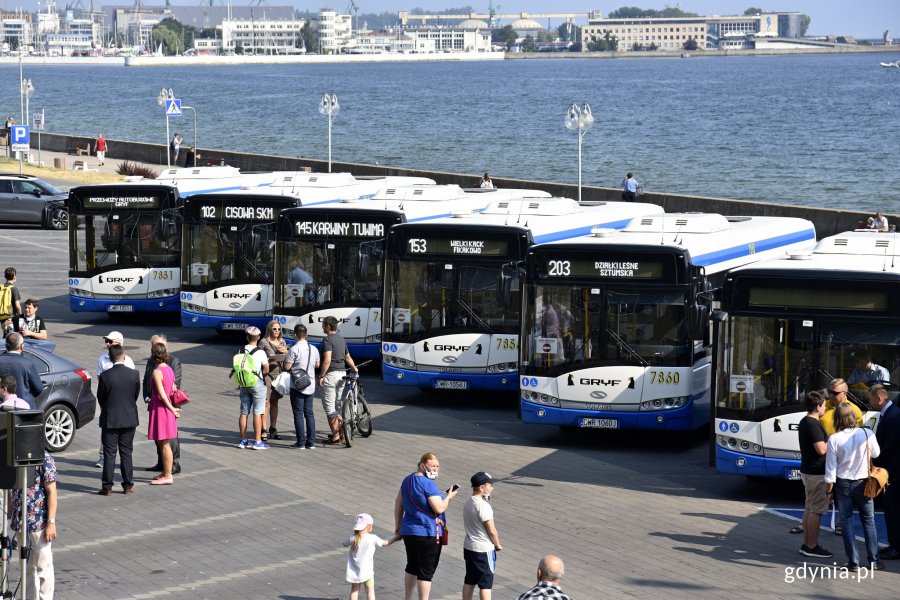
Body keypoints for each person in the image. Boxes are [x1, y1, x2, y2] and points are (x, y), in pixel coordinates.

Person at [824, 402, 883, 572]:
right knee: (869, 521)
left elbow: (830, 471)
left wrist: (828, 491)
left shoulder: (834, 439)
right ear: (853, 417)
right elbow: (876, 453)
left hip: (843, 484)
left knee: (847, 522)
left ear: (837, 418)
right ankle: (874, 561)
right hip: (864, 482)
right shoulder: (867, 433)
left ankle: (853, 562)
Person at [394, 452, 458, 600]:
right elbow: (439, 508)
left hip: (409, 530)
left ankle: (407, 598)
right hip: (428, 533)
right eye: (432, 466)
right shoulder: (428, 484)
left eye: (437, 466)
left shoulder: (407, 480)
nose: (435, 469)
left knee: (412, 565)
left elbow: (399, 502)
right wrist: (449, 497)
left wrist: (398, 524)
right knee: (425, 572)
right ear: (422, 466)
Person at [10, 450, 57, 599]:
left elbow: (52, 492)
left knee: (44, 565)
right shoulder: (15, 456)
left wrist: (51, 523)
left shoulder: (45, 458)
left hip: (39, 522)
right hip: (20, 521)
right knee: (27, 567)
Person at [97, 344, 141, 495]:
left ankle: (107, 487)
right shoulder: (134, 374)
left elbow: (101, 398)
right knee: (126, 452)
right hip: (129, 418)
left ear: (110, 357)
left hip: (110, 418)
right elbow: (135, 396)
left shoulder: (105, 376)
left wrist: (108, 407)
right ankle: (128, 485)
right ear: (124, 356)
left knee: (110, 453)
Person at [796, 391, 832, 558]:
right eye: (824, 405)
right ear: (818, 407)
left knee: (809, 508)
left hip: (808, 471)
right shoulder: (813, 424)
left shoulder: (805, 421)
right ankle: (812, 546)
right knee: (816, 510)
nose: (825, 408)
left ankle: (806, 544)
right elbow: (821, 449)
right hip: (816, 473)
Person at [96, 331, 136, 469]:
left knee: (125, 448)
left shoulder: (129, 362)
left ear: (119, 343)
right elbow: (100, 386)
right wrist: (104, 404)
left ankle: (115, 483)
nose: (107, 344)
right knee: (108, 441)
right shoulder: (102, 359)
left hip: (124, 407)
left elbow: (133, 387)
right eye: (106, 341)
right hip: (108, 404)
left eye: (110, 341)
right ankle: (102, 457)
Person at [143, 334, 183, 474]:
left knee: (169, 439)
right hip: (155, 403)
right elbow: (145, 380)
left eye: (158, 346)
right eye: (154, 346)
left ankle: (173, 465)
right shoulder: (151, 362)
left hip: (166, 405)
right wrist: (146, 396)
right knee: (160, 438)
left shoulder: (172, 362)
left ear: (166, 347)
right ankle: (162, 464)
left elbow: (173, 386)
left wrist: (172, 408)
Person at [869, 385, 900, 560]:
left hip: (894, 472)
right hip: (890, 471)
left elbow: (889, 446)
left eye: (871, 399)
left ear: (880, 398)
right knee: (890, 508)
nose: (869, 402)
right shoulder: (889, 414)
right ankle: (893, 544)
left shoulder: (894, 416)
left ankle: (897, 546)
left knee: (894, 508)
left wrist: (874, 461)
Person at [462, 471, 502, 600]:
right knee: (485, 585)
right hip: (484, 549)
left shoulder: (468, 502)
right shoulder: (483, 506)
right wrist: (497, 544)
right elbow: (491, 530)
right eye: (490, 485)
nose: (492, 487)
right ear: (482, 487)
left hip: (469, 547)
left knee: (470, 580)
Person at [342, 513, 400, 600]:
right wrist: (396, 537)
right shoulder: (373, 538)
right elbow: (386, 543)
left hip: (354, 572)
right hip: (367, 572)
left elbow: (344, 543)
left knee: (354, 590)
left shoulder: (353, 538)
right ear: (369, 527)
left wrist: (352, 537)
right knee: (370, 591)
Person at [319, 315, 357, 445]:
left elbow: (327, 360)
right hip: (342, 374)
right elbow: (347, 357)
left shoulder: (327, 340)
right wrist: (355, 369)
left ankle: (336, 436)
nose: (322, 326)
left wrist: (321, 376)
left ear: (328, 326)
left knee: (330, 408)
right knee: (337, 404)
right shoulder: (341, 339)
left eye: (323, 324)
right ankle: (342, 429)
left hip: (331, 375)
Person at [283, 323, 319, 449]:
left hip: (297, 385)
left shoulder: (294, 349)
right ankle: (311, 442)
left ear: (295, 335)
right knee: (309, 413)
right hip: (310, 384)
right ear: (306, 335)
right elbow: (317, 365)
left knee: (298, 413)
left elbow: (287, 367)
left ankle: (300, 442)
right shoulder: (313, 348)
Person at [236, 326, 269, 450]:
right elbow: (266, 368)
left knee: (244, 412)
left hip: (244, 383)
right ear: (258, 338)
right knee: (258, 412)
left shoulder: (240, 350)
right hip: (257, 383)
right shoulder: (260, 352)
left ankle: (243, 440)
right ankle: (258, 441)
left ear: (246, 336)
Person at [258, 320, 288, 441]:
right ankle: (263, 429)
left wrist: (286, 353)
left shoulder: (283, 342)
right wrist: (268, 360)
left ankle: (273, 428)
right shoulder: (264, 342)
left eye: (279, 329)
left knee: (275, 402)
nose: (277, 331)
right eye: (274, 329)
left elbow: (288, 361)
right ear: (269, 329)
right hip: (266, 375)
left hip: (278, 376)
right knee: (266, 402)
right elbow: (257, 357)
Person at [0, 332, 43, 409]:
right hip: (25, 409)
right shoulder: (27, 363)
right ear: (22, 346)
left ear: (6, 345)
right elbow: (38, 387)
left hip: (2, 408)